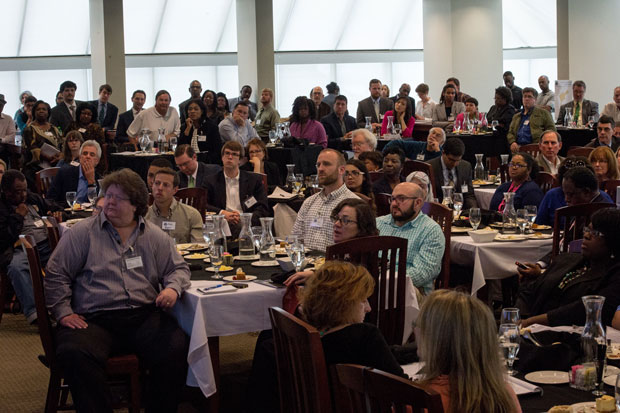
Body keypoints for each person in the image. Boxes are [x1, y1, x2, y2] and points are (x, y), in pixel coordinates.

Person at [45, 168, 191, 413]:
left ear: (136, 204)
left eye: (118, 197)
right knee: (74, 352)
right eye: (108, 195)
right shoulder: (82, 233)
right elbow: (56, 274)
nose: (109, 201)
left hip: (142, 316)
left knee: (176, 346)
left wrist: (173, 289)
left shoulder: (154, 236)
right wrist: (63, 312)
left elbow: (179, 269)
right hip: (94, 319)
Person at [248, 260, 403, 413]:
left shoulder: (303, 335)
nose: (368, 308)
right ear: (344, 304)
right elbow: (401, 390)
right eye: (363, 301)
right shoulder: (364, 335)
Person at [416, 289, 522, 413]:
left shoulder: (418, 400)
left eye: (420, 325)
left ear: (436, 339)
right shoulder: (504, 395)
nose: (416, 331)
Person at [518, 208, 620, 328]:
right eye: (587, 230)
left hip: (570, 334)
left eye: (595, 233)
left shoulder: (614, 275)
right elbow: (531, 290)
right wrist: (521, 318)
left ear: (613, 241)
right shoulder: (568, 259)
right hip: (530, 329)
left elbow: (582, 310)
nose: (586, 235)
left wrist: (531, 322)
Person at [1, 170, 62, 324]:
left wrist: (56, 213)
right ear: (7, 192)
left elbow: (53, 206)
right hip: (20, 248)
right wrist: (18, 216)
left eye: (24, 190)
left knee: (70, 256)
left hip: (46, 244)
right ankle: (36, 314)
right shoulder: (2, 207)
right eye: (18, 192)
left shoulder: (31, 198)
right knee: (16, 267)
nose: (23, 195)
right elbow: (3, 238)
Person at [284, 198, 379, 286]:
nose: (336, 224)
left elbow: (350, 277)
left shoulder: (363, 256)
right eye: (337, 219)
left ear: (362, 226)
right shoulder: (344, 250)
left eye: (345, 220)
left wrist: (317, 276)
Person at [376, 182, 445, 294]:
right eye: (392, 199)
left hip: (411, 290)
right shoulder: (378, 224)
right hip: (375, 284)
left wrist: (385, 282)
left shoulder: (431, 231)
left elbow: (421, 274)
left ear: (418, 203)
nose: (394, 203)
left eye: (401, 199)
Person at [291, 149, 359, 252]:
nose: (321, 169)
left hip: (337, 264)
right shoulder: (309, 202)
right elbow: (296, 239)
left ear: (341, 170)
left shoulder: (354, 203)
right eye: (318, 165)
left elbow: (358, 245)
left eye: (326, 164)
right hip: (307, 264)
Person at [203, 141, 270, 234]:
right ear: (222, 157)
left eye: (234, 154)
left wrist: (244, 218)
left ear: (241, 160)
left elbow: (263, 208)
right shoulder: (210, 181)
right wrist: (222, 213)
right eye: (227, 153)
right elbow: (204, 205)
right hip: (221, 224)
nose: (230, 157)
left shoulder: (254, 180)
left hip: (246, 225)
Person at [535, 161, 612, 226]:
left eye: (570, 194)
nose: (566, 199)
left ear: (586, 192)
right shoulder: (583, 208)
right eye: (565, 194)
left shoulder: (601, 213)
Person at [146, 167, 203, 243]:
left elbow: (198, 248)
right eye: (157, 183)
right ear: (152, 186)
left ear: (175, 190)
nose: (160, 188)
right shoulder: (144, 216)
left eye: (165, 185)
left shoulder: (191, 215)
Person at [22, 100, 62, 187]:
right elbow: (32, 148)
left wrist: (60, 156)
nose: (41, 111)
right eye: (38, 109)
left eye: (44, 109)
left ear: (48, 112)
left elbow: (61, 144)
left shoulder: (54, 128)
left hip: (55, 163)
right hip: (35, 167)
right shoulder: (29, 129)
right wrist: (49, 158)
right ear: (34, 112)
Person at [47, 140, 102, 204]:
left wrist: (91, 182)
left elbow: (95, 204)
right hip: (66, 211)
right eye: (85, 153)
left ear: (97, 161)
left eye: (92, 155)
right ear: (80, 157)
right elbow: (50, 199)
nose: (88, 156)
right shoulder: (65, 172)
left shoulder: (100, 180)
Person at [428, 138, 477, 209]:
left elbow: (469, 195)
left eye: (458, 160)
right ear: (443, 153)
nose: (455, 164)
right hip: (437, 209)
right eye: (451, 160)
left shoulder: (465, 166)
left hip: (459, 209)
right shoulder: (430, 167)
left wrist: (473, 209)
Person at [507, 87, 556, 153]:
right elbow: (510, 133)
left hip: (535, 148)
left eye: (529, 97)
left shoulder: (543, 113)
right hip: (518, 148)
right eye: (524, 96)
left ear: (535, 99)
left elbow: (552, 131)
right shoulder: (516, 116)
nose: (526, 99)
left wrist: (543, 143)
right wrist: (512, 142)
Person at [179, 98, 222, 165]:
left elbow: (217, 150)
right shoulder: (185, 126)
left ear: (202, 111)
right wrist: (188, 129)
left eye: (196, 109)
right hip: (188, 161)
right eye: (190, 109)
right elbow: (180, 148)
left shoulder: (211, 126)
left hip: (207, 162)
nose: (192, 111)